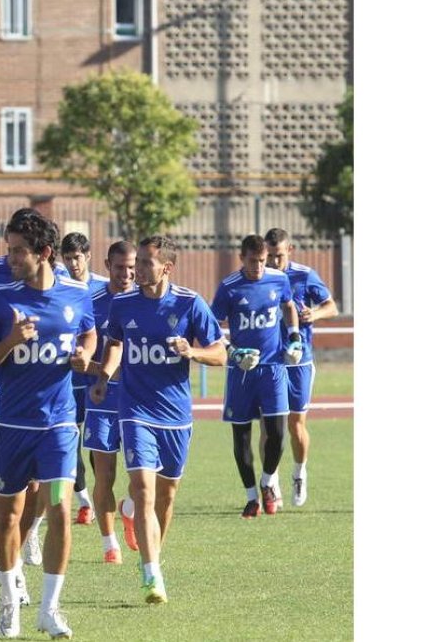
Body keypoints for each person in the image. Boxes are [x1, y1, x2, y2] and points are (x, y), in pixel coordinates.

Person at [0, 210, 96, 639]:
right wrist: (9, 341)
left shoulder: (77, 295)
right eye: (8, 250)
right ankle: (10, 603)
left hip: (59, 429)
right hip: (11, 428)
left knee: (60, 506)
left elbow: (90, 332)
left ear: (44, 253)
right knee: (7, 518)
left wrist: (83, 354)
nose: (10, 259)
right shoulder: (0, 299)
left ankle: (50, 608)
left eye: (18, 251)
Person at [94, 236, 227, 604]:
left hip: (176, 416)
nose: (137, 270)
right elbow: (115, 342)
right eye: (138, 262)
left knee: (166, 497)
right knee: (144, 491)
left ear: (166, 268)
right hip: (135, 411)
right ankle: (152, 575)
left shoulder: (189, 303)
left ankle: (152, 554)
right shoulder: (122, 304)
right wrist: (105, 377)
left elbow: (220, 354)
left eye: (147, 263)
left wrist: (193, 351)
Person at [210, 234, 302, 518]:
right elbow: (212, 326)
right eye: (253, 261)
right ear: (242, 258)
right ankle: (251, 496)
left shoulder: (278, 279)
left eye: (262, 261)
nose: (259, 267)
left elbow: (288, 306)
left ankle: (267, 482)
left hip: (273, 369)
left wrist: (295, 337)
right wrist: (233, 350)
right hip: (241, 372)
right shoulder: (229, 287)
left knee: (277, 434)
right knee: (242, 437)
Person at [264, 228, 338, 506]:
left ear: (290, 250)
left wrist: (314, 313)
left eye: (278, 256)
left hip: (299, 359)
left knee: (296, 423)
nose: (273, 262)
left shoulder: (304, 275)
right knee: (270, 427)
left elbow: (331, 306)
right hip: (270, 360)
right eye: (269, 256)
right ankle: (270, 482)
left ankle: (299, 473)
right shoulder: (260, 277)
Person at [78, 241, 139, 562]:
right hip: (101, 401)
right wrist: (99, 370)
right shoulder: (90, 302)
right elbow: (77, 356)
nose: (127, 274)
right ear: (107, 265)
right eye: (119, 267)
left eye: (132, 267)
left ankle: (129, 508)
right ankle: (108, 543)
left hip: (140, 401)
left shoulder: (145, 301)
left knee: (146, 476)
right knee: (104, 475)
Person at [59, 232, 110, 525]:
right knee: (71, 439)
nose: (73, 263)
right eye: (67, 258)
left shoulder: (103, 287)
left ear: (88, 256)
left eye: (77, 257)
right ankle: (84, 500)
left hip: (95, 375)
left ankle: (99, 494)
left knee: (96, 443)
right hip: (67, 376)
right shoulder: (59, 287)